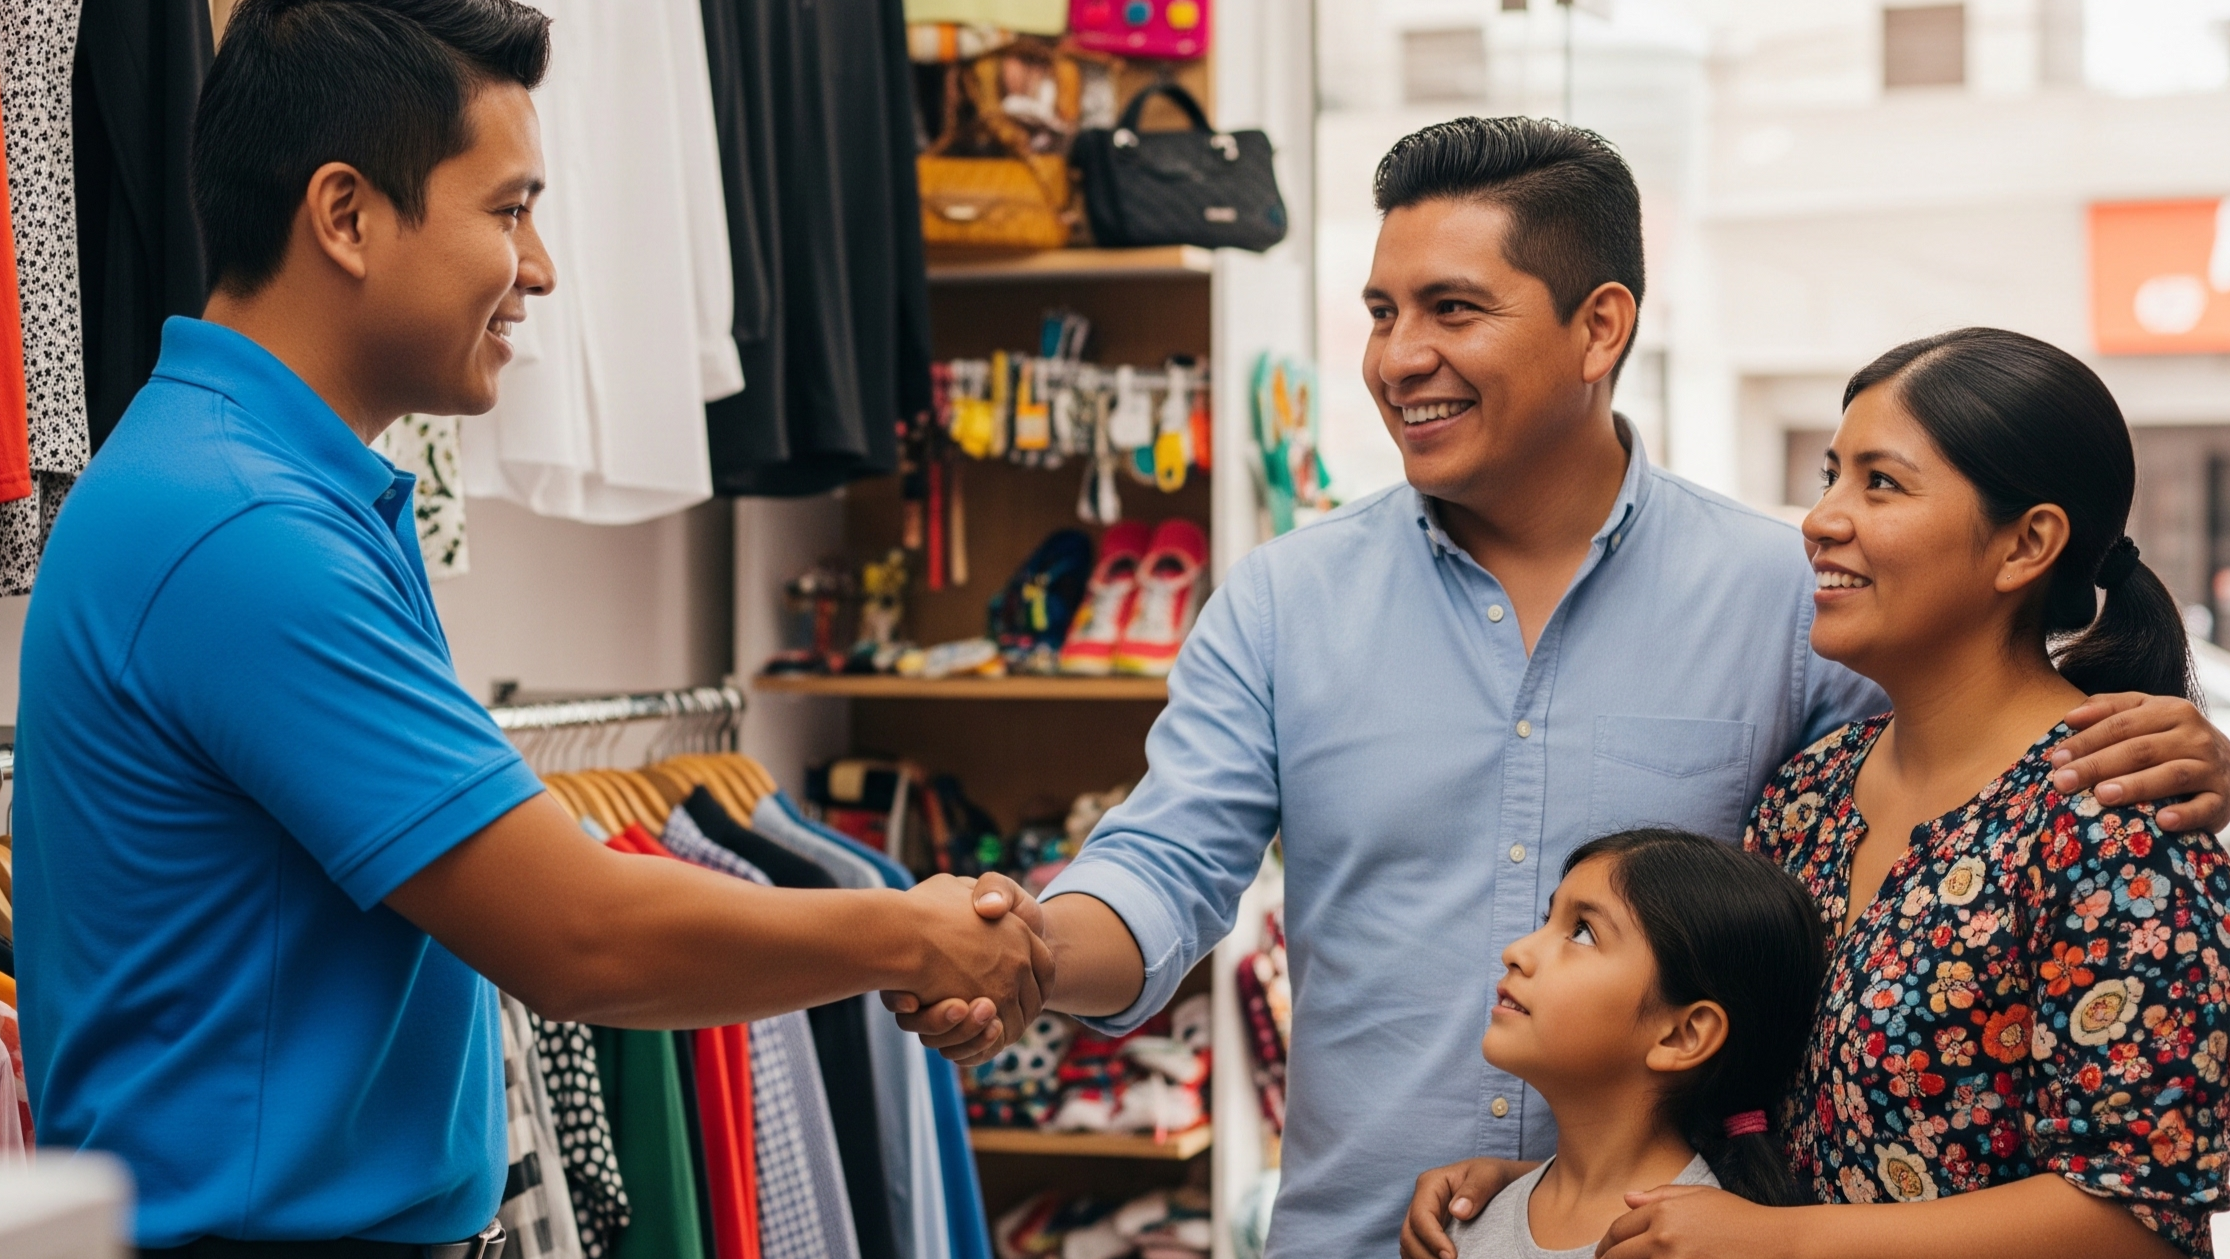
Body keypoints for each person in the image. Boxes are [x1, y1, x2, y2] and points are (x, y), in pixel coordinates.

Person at [896, 117, 2230, 1258]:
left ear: (1600, 326)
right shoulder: (1284, 601)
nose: (1394, 357)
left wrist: (2188, 753)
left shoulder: (1790, 610)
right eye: (1378, 310)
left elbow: (1982, 759)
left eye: (1451, 308)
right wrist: (1024, 955)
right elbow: (1167, 861)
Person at [13, 1, 1044, 1251]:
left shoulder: (255, 486)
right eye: (509, 210)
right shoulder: (238, 529)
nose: (541, 266)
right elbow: (579, 934)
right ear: (345, 216)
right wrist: (908, 928)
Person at [1410, 329, 2230, 1259]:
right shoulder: (1808, 793)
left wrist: (1790, 1242)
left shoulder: (2115, 814)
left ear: (2026, 543)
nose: (1822, 519)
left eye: (1880, 483)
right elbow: (1746, 1108)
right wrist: (1551, 1195)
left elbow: (2138, 1215)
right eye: (1832, 475)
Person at [1445, 829, 1824, 1259]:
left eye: (1583, 933)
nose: (1516, 951)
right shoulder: (1462, 1221)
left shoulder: (1701, 1246)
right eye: (1546, 922)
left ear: (1683, 1036)